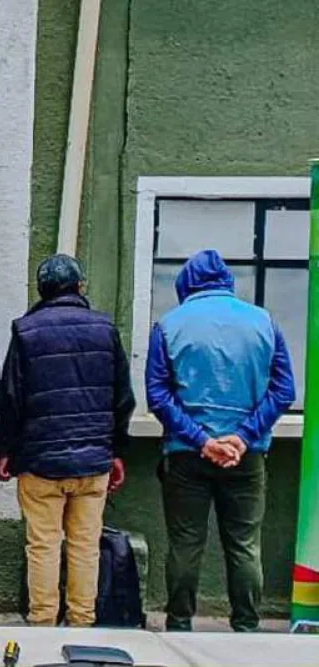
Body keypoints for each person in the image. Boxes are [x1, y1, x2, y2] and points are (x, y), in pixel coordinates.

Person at [146, 249, 295, 633]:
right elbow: (284, 391)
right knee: (244, 544)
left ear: (186, 285)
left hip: (186, 454)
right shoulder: (264, 322)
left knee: (185, 543)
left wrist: (202, 441)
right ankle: (246, 627)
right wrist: (244, 437)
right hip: (246, 456)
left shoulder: (168, 325)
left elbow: (158, 396)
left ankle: (179, 625)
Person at [0, 254, 136, 627]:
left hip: (40, 461)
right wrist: (115, 451)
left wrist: (6, 450)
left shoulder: (26, 330)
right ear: (79, 286)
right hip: (93, 459)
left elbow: (11, 398)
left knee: (43, 544)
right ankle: (81, 621)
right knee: (85, 546)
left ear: (41, 290)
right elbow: (122, 397)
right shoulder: (105, 328)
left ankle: (42, 622)